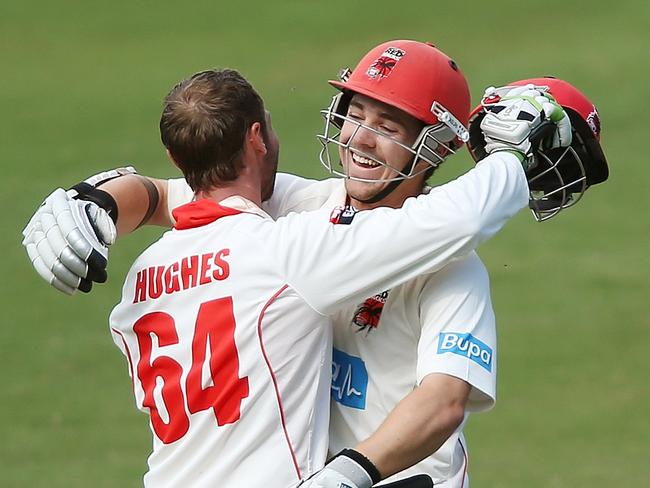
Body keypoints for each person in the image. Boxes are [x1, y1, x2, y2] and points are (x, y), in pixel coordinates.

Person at [22, 42, 589, 487]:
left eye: (388, 127)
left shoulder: (453, 271)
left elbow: (442, 403)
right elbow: (180, 194)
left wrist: (345, 476)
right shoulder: (302, 208)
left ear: (437, 146)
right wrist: (97, 201)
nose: (360, 139)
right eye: (355, 114)